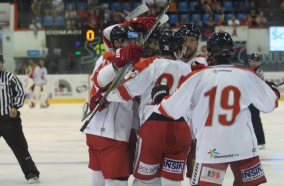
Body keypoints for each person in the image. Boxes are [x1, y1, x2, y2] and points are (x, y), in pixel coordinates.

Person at [153, 32, 280, 186]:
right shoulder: (247, 75)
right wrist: (274, 90)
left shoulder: (197, 76)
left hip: (211, 148)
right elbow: (268, 105)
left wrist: (160, 97)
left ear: (210, 52)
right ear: (232, 51)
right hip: (244, 148)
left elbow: (171, 110)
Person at [107, 30, 192, 186]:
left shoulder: (150, 63)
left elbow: (127, 91)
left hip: (154, 126)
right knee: (172, 181)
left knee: (144, 180)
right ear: (177, 49)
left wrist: (107, 96)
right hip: (181, 128)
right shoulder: (189, 69)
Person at [82, 24, 146, 186]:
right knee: (117, 180)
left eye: (135, 39)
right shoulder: (109, 58)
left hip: (97, 130)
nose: (135, 43)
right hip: (110, 132)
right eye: (129, 41)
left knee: (99, 178)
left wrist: (131, 23)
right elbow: (100, 80)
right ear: (117, 43)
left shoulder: (130, 62)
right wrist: (117, 62)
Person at [0, 51, 40, 184]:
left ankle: (31, 173)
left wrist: (15, 106)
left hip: (9, 121)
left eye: (0, 62)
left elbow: (20, 94)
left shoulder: (9, 77)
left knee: (20, 147)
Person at [248, 53, 266, 149]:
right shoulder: (246, 71)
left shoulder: (259, 72)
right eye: (252, 61)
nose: (254, 63)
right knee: (246, 120)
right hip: (247, 100)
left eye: (256, 61)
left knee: (255, 120)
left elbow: (258, 85)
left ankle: (261, 141)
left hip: (255, 100)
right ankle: (249, 141)